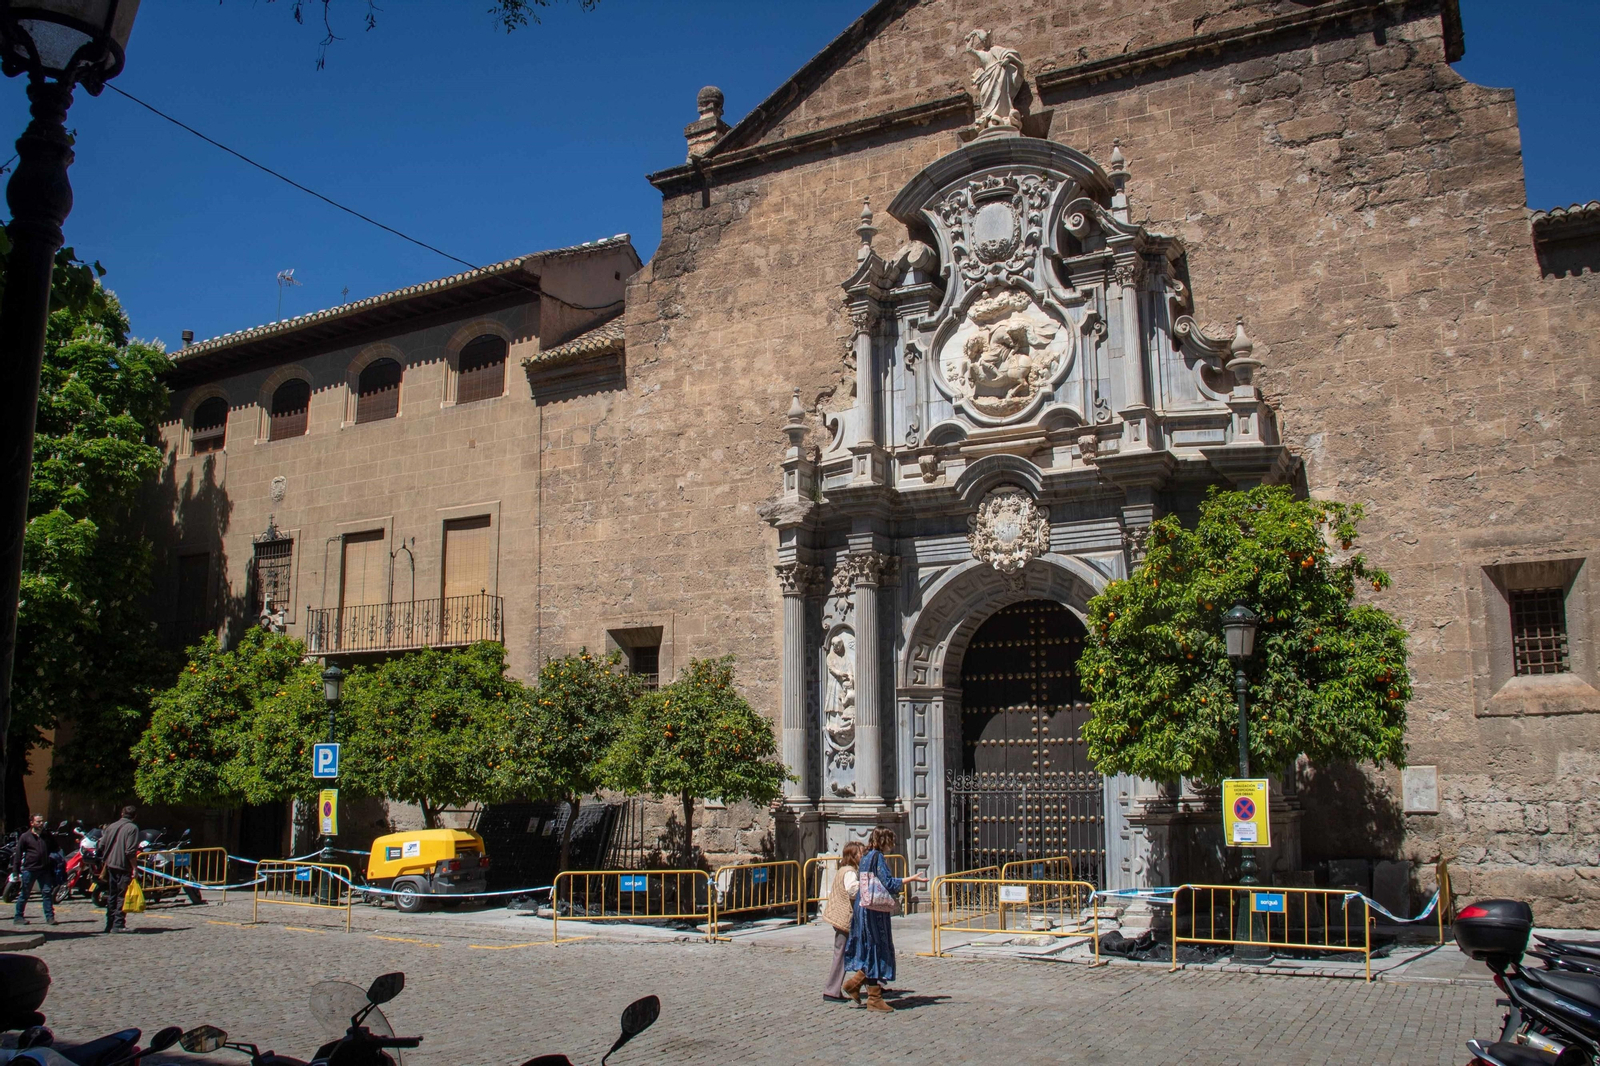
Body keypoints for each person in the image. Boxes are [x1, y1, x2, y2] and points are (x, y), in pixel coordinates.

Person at [841, 827, 928, 1013]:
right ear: (883, 841)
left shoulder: (865, 856)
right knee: (876, 948)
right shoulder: (877, 857)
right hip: (873, 910)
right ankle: (873, 998)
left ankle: (856, 985)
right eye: (891, 840)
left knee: (871, 948)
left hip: (863, 906)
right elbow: (888, 882)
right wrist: (911, 879)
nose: (893, 845)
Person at [821, 841, 864, 1002]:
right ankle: (832, 990)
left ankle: (872, 984)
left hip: (843, 918)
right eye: (860, 853)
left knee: (856, 951)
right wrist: (867, 884)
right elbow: (852, 890)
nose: (862, 856)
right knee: (841, 954)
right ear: (853, 856)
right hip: (845, 918)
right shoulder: (850, 872)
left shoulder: (844, 870)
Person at [11, 814, 59, 926]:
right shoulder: (25, 836)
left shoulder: (47, 835)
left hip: (45, 869)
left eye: (42, 821)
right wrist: (15, 871)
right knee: (25, 893)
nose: (41, 824)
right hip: (30, 869)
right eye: (38, 822)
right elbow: (18, 854)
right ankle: (18, 917)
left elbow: (55, 848)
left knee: (47, 893)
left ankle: (50, 917)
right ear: (32, 823)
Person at [99, 805, 140, 934]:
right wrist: (135, 868)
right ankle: (118, 924)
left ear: (122, 814)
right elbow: (130, 851)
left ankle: (109, 924)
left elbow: (102, 844)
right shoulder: (132, 828)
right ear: (134, 816)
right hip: (123, 865)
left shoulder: (111, 826)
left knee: (112, 894)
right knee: (121, 895)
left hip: (110, 864)